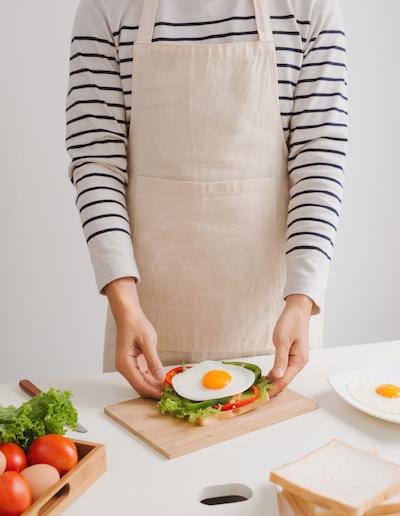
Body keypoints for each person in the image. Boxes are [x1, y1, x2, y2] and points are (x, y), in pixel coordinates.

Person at [66, 0, 348, 400]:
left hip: (279, 331)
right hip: (147, 334)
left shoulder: (310, 7)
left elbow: (319, 158)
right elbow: (97, 162)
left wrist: (302, 300)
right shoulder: (107, 8)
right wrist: (125, 305)